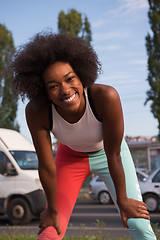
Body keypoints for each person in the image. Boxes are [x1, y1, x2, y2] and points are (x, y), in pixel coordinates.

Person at [10, 32, 157, 240]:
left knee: (139, 224)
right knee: (50, 233)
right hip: (69, 158)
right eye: (53, 86)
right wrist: (52, 209)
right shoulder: (37, 112)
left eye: (70, 79)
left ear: (81, 75)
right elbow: (46, 165)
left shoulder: (106, 97)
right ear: (43, 91)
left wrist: (123, 200)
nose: (65, 90)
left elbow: (113, 154)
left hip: (109, 155)